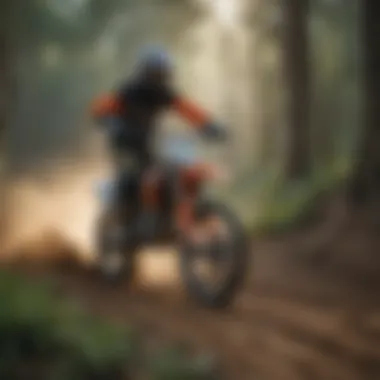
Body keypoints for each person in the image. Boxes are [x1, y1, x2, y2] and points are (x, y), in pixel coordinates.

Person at [91, 45, 227, 239]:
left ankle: (168, 218)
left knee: (170, 171)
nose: (159, 78)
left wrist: (209, 126)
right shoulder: (130, 91)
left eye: (162, 74)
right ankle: (135, 221)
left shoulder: (163, 94)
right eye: (155, 73)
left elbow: (187, 109)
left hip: (146, 145)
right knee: (137, 177)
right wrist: (110, 121)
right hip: (124, 145)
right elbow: (101, 108)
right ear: (145, 72)